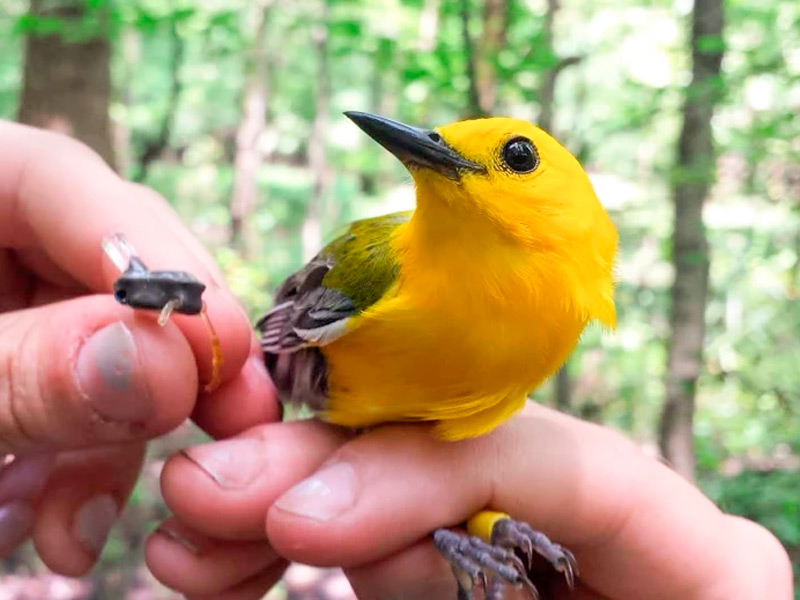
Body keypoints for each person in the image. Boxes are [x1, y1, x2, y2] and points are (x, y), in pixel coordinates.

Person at [0, 121, 792, 599]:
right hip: (328, 394)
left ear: (580, 206)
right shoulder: (382, 264)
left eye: (515, 156)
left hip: (418, 449)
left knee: (437, 489)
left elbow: (450, 448)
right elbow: (281, 340)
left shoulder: (564, 312)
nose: (441, 155)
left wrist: (486, 527)